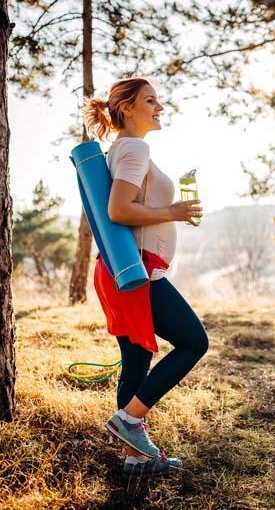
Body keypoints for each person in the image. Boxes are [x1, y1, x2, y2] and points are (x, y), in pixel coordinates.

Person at [83, 77, 208, 477]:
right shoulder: (135, 148)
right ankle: (129, 420)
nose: (160, 107)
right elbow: (119, 210)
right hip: (137, 273)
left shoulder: (123, 148)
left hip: (121, 270)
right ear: (127, 108)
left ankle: (135, 460)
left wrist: (172, 212)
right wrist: (172, 212)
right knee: (193, 342)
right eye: (150, 100)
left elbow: (131, 206)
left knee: (136, 360)